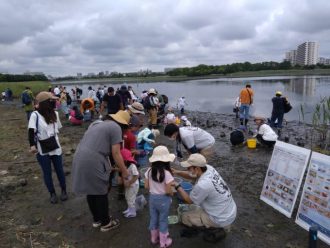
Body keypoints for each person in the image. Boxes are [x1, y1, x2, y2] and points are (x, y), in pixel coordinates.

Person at [71, 110, 130, 232]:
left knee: (91, 190)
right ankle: (106, 223)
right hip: (93, 159)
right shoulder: (115, 127)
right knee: (101, 191)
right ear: (123, 124)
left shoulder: (98, 124)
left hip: (79, 156)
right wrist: (124, 171)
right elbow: (116, 153)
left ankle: (97, 220)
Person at [173, 153, 237, 239]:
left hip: (220, 217)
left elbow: (189, 201)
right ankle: (218, 225)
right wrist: (177, 172)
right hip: (229, 210)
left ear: (197, 168)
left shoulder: (203, 185)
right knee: (196, 208)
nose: (187, 169)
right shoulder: (209, 168)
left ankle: (215, 228)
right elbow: (192, 176)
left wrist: (177, 186)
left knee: (184, 217)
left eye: (189, 168)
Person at [28, 92, 68, 204]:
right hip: (42, 149)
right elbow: (31, 132)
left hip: (55, 147)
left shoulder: (55, 114)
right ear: (45, 103)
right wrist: (32, 146)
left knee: (60, 170)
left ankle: (64, 190)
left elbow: (57, 129)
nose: (54, 102)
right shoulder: (35, 115)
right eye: (52, 101)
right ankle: (52, 193)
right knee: (47, 173)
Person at [144, 146, 175, 248]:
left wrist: (154, 189)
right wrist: (172, 194)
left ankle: (153, 239)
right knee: (163, 220)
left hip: (152, 198)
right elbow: (168, 191)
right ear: (166, 161)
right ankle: (163, 243)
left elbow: (146, 186)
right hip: (163, 200)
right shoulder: (167, 174)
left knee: (153, 218)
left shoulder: (148, 171)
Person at [120, 148, 139, 218]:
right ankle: (129, 209)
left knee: (131, 198)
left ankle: (133, 212)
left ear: (124, 159)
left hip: (133, 185)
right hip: (129, 185)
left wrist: (130, 182)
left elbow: (137, 175)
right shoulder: (125, 165)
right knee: (127, 197)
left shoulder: (132, 166)